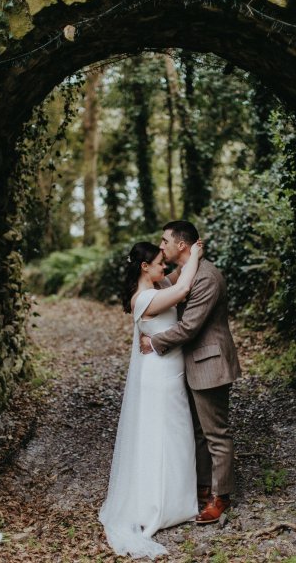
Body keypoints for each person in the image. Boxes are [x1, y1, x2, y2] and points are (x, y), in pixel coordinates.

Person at [99, 239, 203, 559]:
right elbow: (183, 289)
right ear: (145, 267)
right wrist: (195, 254)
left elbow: (176, 283)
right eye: (160, 263)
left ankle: (177, 501)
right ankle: (160, 506)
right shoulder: (144, 298)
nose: (165, 267)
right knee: (162, 437)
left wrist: (184, 259)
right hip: (158, 377)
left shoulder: (155, 288)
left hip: (168, 371)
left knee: (175, 436)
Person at [140, 220, 241, 524]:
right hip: (189, 363)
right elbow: (162, 287)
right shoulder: (187, 271)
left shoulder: (207, 277)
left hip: (209, 361)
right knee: (197, 432)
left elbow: (190, 327)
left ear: (180, 245)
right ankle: (202, 487)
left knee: (215, 433)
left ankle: (221, 497)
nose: (161, 246)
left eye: (164, 241)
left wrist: (154, 342)